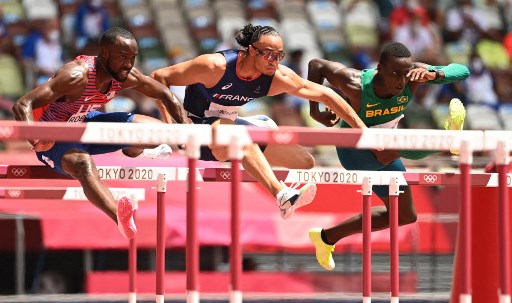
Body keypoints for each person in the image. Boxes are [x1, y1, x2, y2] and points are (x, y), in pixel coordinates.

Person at [151, 23, 368, 219]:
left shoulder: (277, 76)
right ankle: (282, 194)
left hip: (227, 128)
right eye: (269, 54)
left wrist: (363, 130)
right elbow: (159, 77)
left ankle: (253, 138)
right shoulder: (214, 66)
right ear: (251, 51)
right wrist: (175, 126)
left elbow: (326, 95)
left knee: (304, 162)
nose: (275, 61)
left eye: (279, 55)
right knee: (236, 135)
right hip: (196, 128)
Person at [307, 42, 470, 270]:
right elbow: (316, 65)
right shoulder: (355, 83)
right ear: (379, 68)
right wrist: (314, 111)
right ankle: (446, 141)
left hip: (386, 147)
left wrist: (435, 73)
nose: (401, 82)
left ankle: (325, 238)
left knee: (404, 215)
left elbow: (463, 71)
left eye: (405, 74)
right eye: (395, 74)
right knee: (392, 145)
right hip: (354, 150)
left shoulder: (414, 75)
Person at [12, 27, 187, 239]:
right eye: (123, 57)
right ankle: (120, 218)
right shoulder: (76, 76)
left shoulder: (124, 75)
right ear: (104, 53)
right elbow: (23, 104)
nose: (128, 64)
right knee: (83, 164)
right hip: (55, 138)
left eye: (133, 57)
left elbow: (165, 94)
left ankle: (134, 150)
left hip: (86, 124)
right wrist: (36, 140)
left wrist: (186, 134)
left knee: (158, 131)